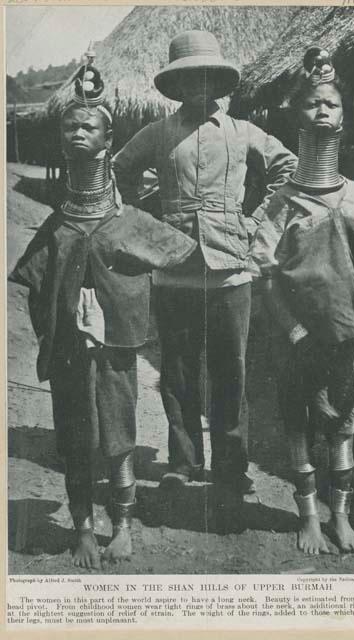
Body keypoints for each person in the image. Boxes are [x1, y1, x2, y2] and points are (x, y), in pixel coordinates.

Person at [9, 56, 196, 569]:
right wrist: (55, 329)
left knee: (118, 433)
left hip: (116, 349)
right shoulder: (56, 228)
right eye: (69, 125)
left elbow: (178, 257)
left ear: (108, 140)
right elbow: (33, 286)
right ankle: (84, 529)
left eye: (88, 125)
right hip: (70, 348)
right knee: (72, 433)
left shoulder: (130, 223)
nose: (77, 132)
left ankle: (124, 527)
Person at [112, 30, 298, 502]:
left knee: (230, 370)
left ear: (220, 82)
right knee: (176, 370)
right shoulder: (157, 134)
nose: (199, 86)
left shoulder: (243, 132)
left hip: (232, 269)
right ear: (176, 85)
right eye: (189, 78)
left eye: (208, 77)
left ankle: (231, 466)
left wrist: (255, 220)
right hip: (173, 272)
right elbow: (117, 172)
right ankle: (182, 462)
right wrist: (145, 225)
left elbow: (288, 170)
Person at [249, 47, 354, 554]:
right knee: (298, 419)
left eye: (332, 105)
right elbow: (261, 267)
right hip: (295, 334)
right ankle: (309, 517)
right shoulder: (281, 202)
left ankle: (341, 516)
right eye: (314, 103)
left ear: (343, 116)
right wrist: (292, 328)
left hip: (346, 334)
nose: (322, 111)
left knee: (342, 422)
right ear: (298, 114)